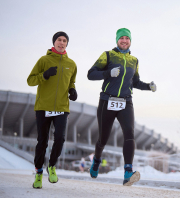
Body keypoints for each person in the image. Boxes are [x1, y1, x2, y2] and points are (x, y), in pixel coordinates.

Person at [87, 28, 156, 186]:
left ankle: (127, 172)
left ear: (130, 41)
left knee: (129, 134)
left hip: (126, 102)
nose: (124, 41)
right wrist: (107, 73)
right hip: (107, 101)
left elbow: (135, 82)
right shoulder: (108, 55)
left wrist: (148, 86)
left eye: (127, 38)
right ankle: (96, 160)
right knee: (103, 139)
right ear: (117, 40)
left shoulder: (134, 60)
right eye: (121, 38)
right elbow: (90, 74)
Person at [27, 31, 78, 189]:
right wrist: (45, 75)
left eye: (64, 41)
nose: (61, 43)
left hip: (62, 108)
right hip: (43, 107)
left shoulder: (72, 64)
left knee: (60, 138)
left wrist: (72, 90)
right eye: (59, 40)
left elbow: (71, 82)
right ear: (54, 42)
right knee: (42, 141)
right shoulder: (44, 60)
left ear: (67, 44)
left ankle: (52, 166)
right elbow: (30, 80)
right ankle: (38, 173)